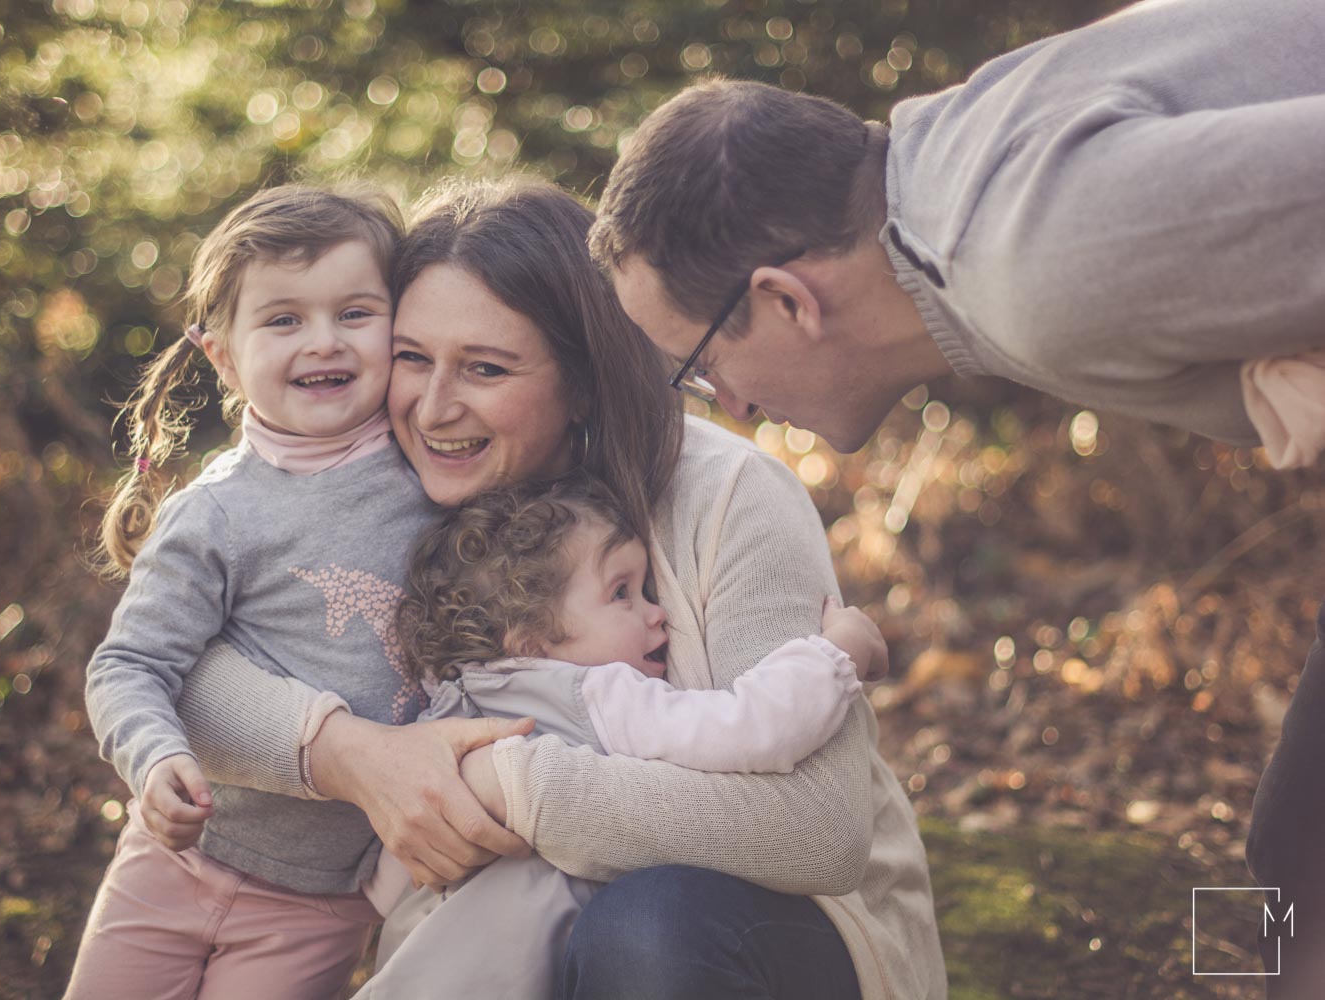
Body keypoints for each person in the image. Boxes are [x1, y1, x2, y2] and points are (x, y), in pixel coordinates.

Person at [585, 0, 1324, 992]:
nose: (740, 408)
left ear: (786, 299)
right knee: (1295, 854)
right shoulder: (953, 191)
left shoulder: (1039, 259)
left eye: (705, 369)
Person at [170, 179, 948, 1000]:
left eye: (486, 367)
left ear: (582, 378)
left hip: (765, 938)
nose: (434, 409)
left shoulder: (730, 498)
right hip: (497, 937)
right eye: (412, 357)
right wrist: (356, 758)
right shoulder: (383, 485)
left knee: (646, 923)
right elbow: (174, 669)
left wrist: (515, 787)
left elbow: (814, 836)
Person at [67, 185, 531, 1000]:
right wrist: (156, 758)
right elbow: (129, 664)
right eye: (284, 320)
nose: (325, 342)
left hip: (318, 900)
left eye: (356, 313)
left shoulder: (437, 475)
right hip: (175, 863)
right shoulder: (215, 514)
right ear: (221, 355)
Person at [360, 473, 878, 997]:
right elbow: (751, 726)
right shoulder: (598, 696)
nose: (657, 615)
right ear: (534, 640)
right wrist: (836, 657)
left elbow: (390, 880)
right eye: (622, 593)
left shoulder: (445, 719)